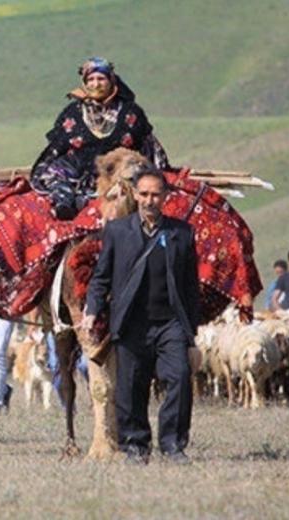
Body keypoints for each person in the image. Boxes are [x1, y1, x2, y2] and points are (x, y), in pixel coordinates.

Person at [82, 165, 200, 464]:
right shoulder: (117, 231)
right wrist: (92, 309)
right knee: (131, 388)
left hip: (169, 323)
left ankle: (173, 445)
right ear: (135, 195)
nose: (150, 200)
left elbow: (189, 286)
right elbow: (101, 277)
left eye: (156, 195)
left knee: (180, 378)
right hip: (132, 323)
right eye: (144, 194)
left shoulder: (181, 234)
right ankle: (136, 446)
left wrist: (191, 334)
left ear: (165, 197)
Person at [31, 56, 169, 220]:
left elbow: (148, 146)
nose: (96, 84)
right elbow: (56, 149)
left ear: (111, 81)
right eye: (91, 79)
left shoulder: (130, 112)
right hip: (77, 176)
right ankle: (65, 209)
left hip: (119, 175)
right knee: (57, 179)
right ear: (84, 82)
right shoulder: (72, 113)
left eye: (101, 79)